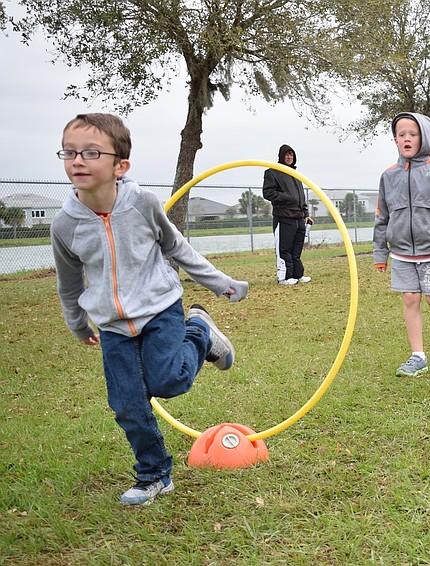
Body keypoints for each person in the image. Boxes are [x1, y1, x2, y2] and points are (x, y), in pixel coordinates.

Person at [50, 113, 249, 506]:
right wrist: (76, 323)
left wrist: (218, 282)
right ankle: (154, 475)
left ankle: (200, 332)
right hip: (112, 326)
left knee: (170, 381)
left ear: (119, 166)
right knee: (126, 405)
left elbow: (176, 247)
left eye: (91, 152)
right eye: (69, 152)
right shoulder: (64, 225)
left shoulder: (142, 203)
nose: (77, 160)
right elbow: (69, 283)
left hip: (160, 308)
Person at [373, 112, 430, 377]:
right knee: (411, 299)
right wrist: (381, 253)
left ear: (423, 137)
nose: (406, 139)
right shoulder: (388, 176)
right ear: (395, 140)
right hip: (401, 253)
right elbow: (382, 216)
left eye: (412, 134)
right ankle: (418, 356)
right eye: (401, 134)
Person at [262, 144, 313, 285]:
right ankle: (284, 277)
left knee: (296, 250)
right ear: (281, 156)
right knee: (284, 249)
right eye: (287, 154)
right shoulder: (272, 173)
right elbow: (268, 193)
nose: (289, 157)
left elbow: (301, 197)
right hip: (283, 218)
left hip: (298, 218)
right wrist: (287, 197)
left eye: (291, 154)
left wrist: (306, 214)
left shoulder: (296, 175)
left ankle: (297, 275)